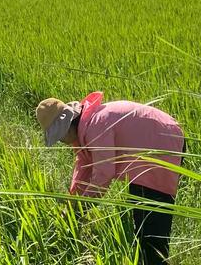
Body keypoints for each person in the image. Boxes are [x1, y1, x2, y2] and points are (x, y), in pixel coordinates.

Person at [36, 92, 185, 265]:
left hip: (161, 146)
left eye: (60, 137)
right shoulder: (84, 128)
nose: (62, 142)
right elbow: (84, 166)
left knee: (150, 232)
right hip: (151, 148)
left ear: (67, 125)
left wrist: (80, 209)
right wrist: (72, 204)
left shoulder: (97, 125)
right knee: (143, 225)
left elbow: (104, 174)